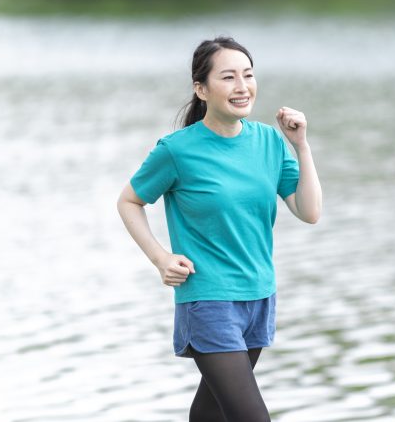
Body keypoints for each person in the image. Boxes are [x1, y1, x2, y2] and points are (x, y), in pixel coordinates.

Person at [116, 36, 322, 421]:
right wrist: (161, 258)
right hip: (208, 299)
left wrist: (301, 146)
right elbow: (129, 201)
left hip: (259, 294)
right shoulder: (177, 150)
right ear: (201, 89)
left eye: (248, 75)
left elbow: (309, 211)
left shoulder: (269, 142)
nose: (242, 87)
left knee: (211, 411)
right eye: (228, 77)